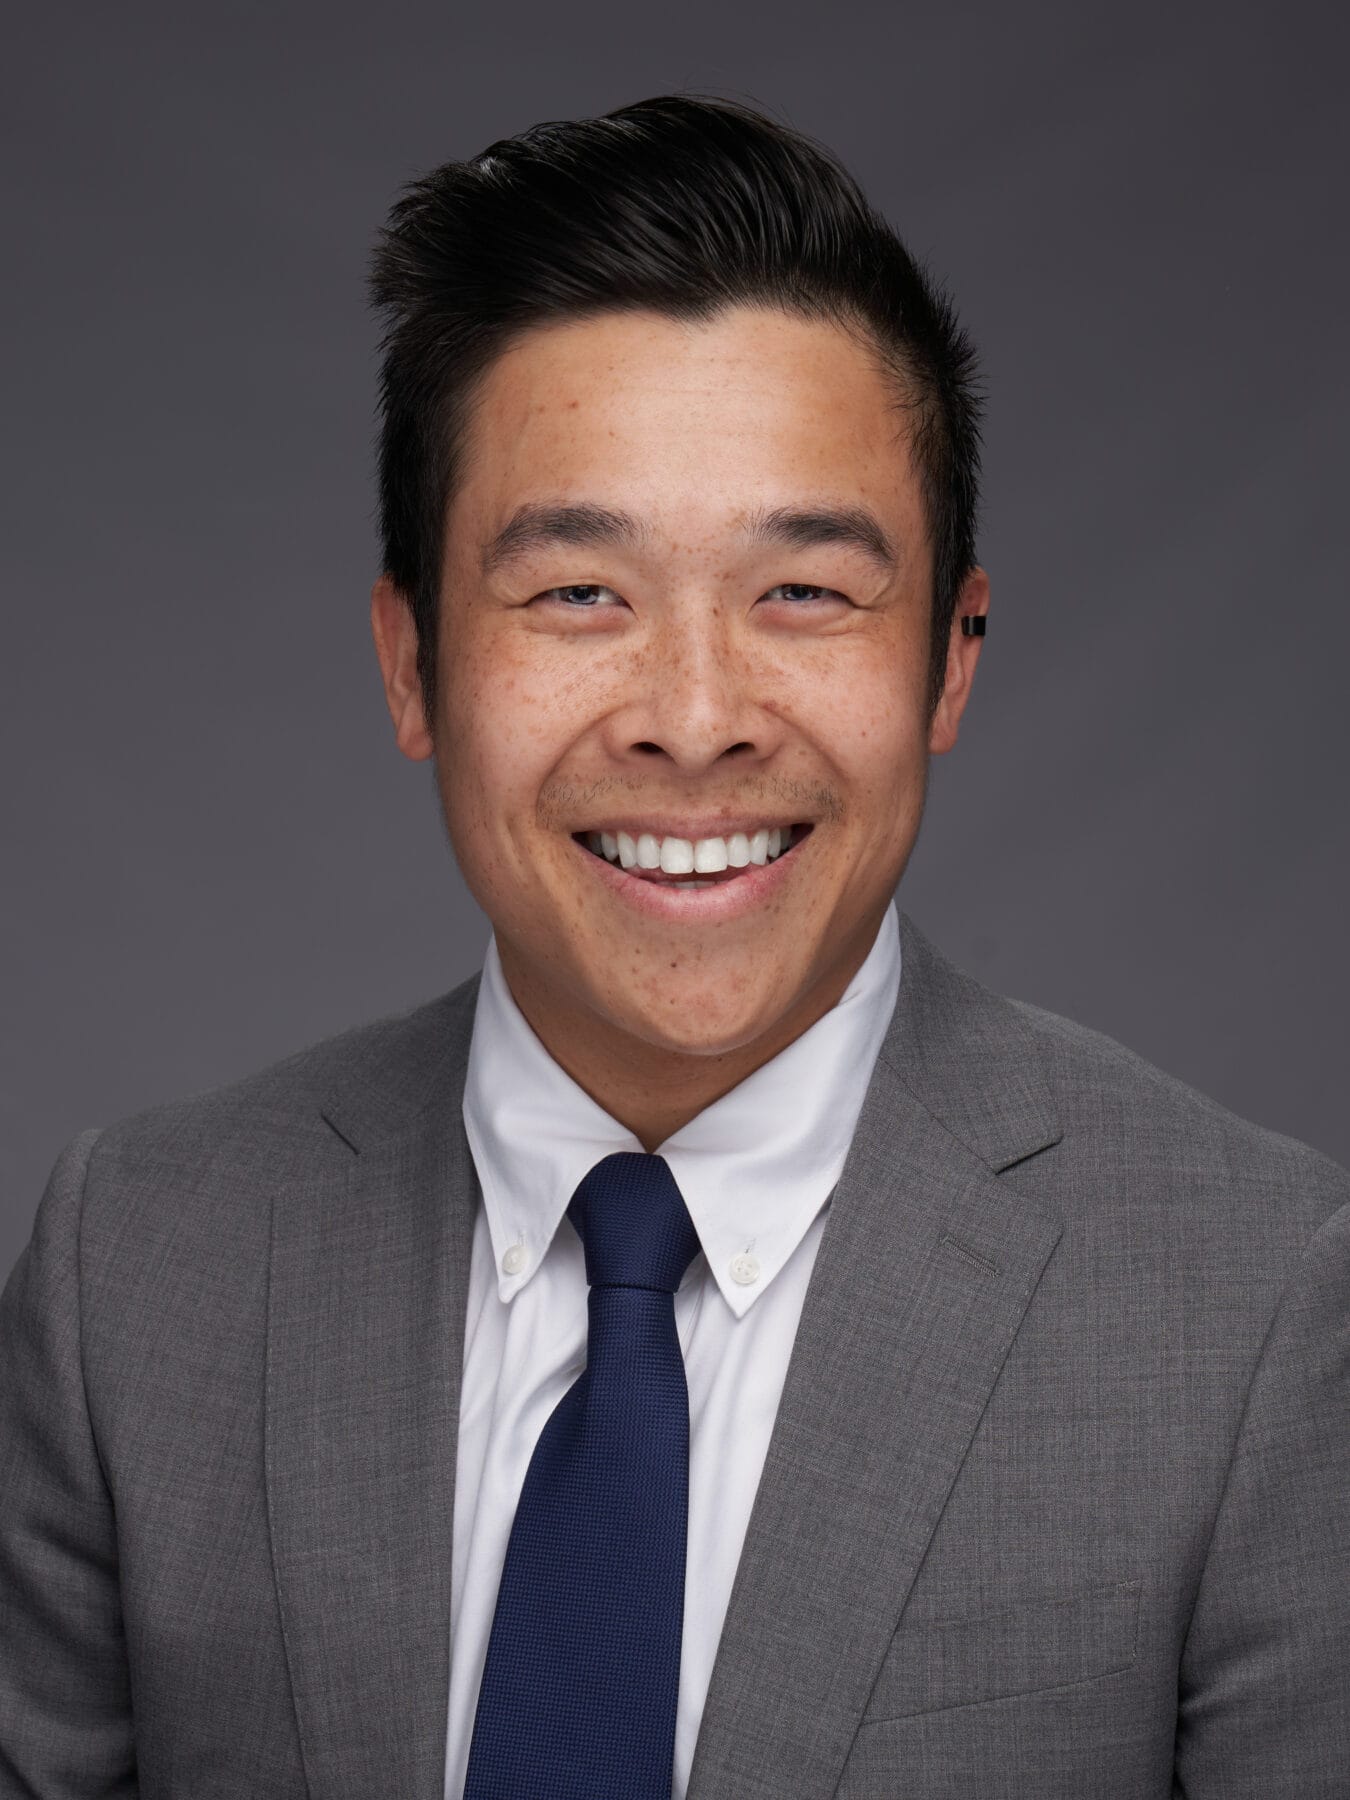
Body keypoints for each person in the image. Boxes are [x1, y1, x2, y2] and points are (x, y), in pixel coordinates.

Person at [1, 93, 1346, 1800]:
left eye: (804, 591)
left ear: (950, 660)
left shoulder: (1253, 1311)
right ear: (412, 666)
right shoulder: (141, 1274)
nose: (693, 721)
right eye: (577, 592)